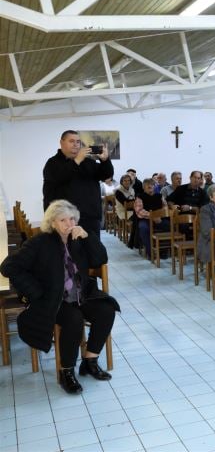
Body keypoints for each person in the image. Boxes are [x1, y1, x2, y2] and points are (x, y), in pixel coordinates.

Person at [0, 200, 119, 394]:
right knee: (74, 319)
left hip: (81, 295)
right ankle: (66, 371)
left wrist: (88, 237)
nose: (69, 223)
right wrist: (35, 292)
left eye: (72, 219)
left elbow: (101, 259)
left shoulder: (78, 238)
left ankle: (90, 361)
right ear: (52, 223)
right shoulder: (40, 242)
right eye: (62, 220)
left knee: (107, 310)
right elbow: (8, 267)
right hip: (54, 300)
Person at [42, 130, 114, 236]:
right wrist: (77, 161)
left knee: (92, 246)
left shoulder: (88, 162)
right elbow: (61, 177)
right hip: (64, 219)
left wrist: (105, 160)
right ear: (61, 143)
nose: (76, 144)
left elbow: (106, 175)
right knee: (66, 247)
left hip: (90, 218)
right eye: (71, 141)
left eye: (78, 142)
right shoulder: (52, 163)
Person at [135, 178, 169, 259]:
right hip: (145, 219)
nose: (150, 186)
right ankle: (150, 252)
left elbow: (165, 207)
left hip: (159, 218)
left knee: (169, 226)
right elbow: (139, 211)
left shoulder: (160, 196)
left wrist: (160, 216)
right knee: (143, 228)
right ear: (144, 187)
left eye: (152, 185)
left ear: (154, 186)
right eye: (147, 185)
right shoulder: (139, 197)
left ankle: (163, 251)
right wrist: (153, 216)